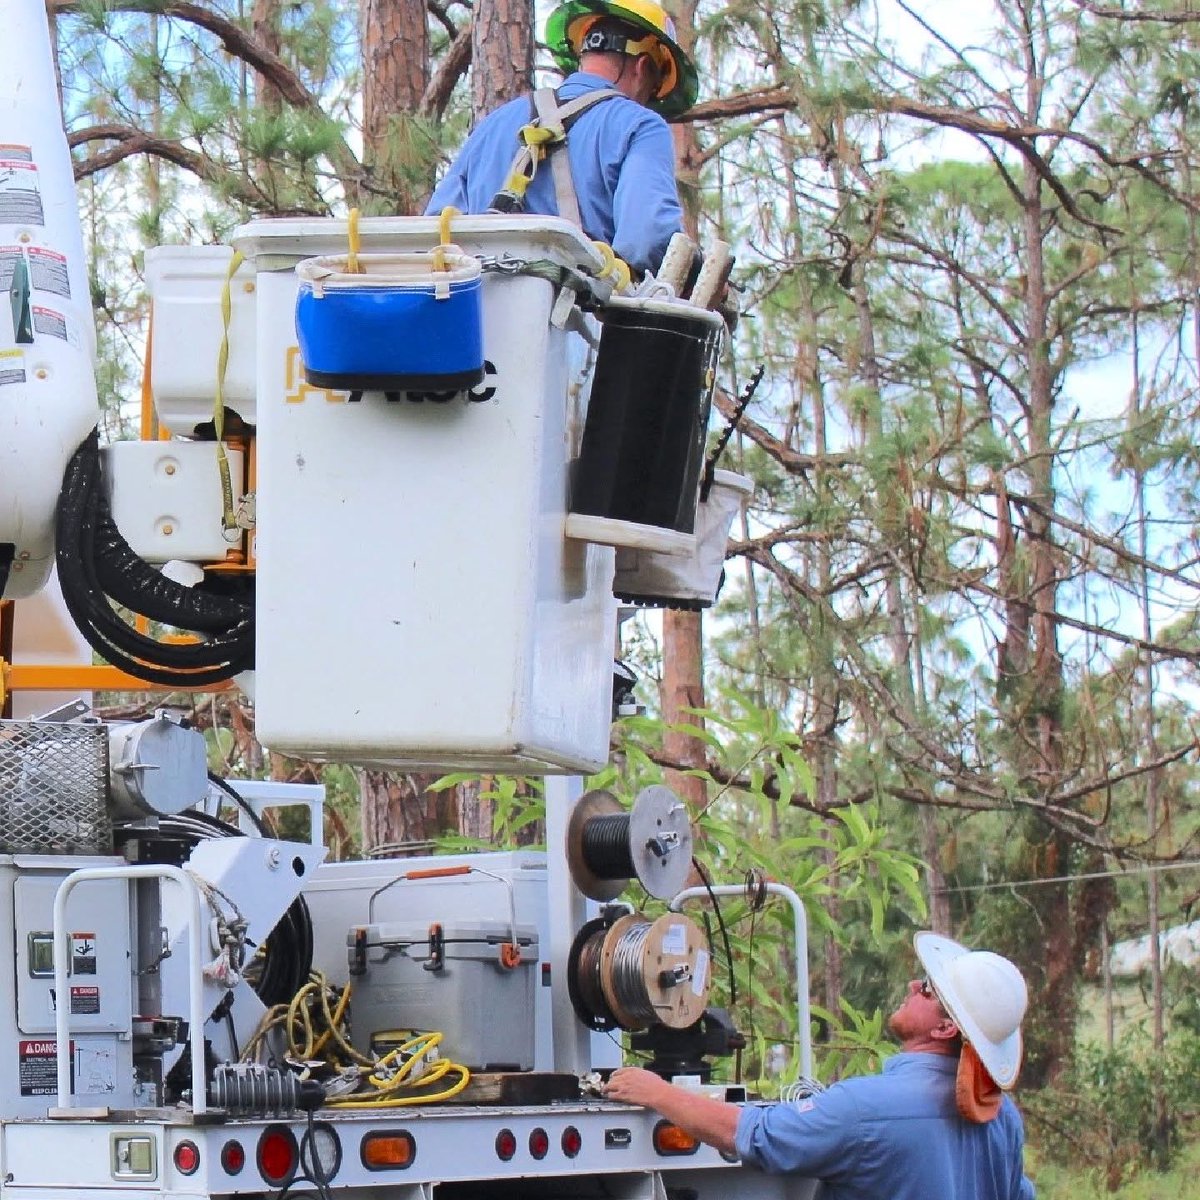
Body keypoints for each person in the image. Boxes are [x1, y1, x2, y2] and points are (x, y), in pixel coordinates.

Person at [602, 932, 1037, 1200]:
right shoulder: (1002, 1116)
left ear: (945, 1029)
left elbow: (752, 1134)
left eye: (926, 989)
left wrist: (656, 1092)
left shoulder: (865, 1109)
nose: (911, 985)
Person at [424, 0, 697, 277]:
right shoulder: (641, 125)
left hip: (476, 314)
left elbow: (433, 234)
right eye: (654, 86)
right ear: (642, 67)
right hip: (576, 318)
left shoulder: (492, 125)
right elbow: (646, 240)